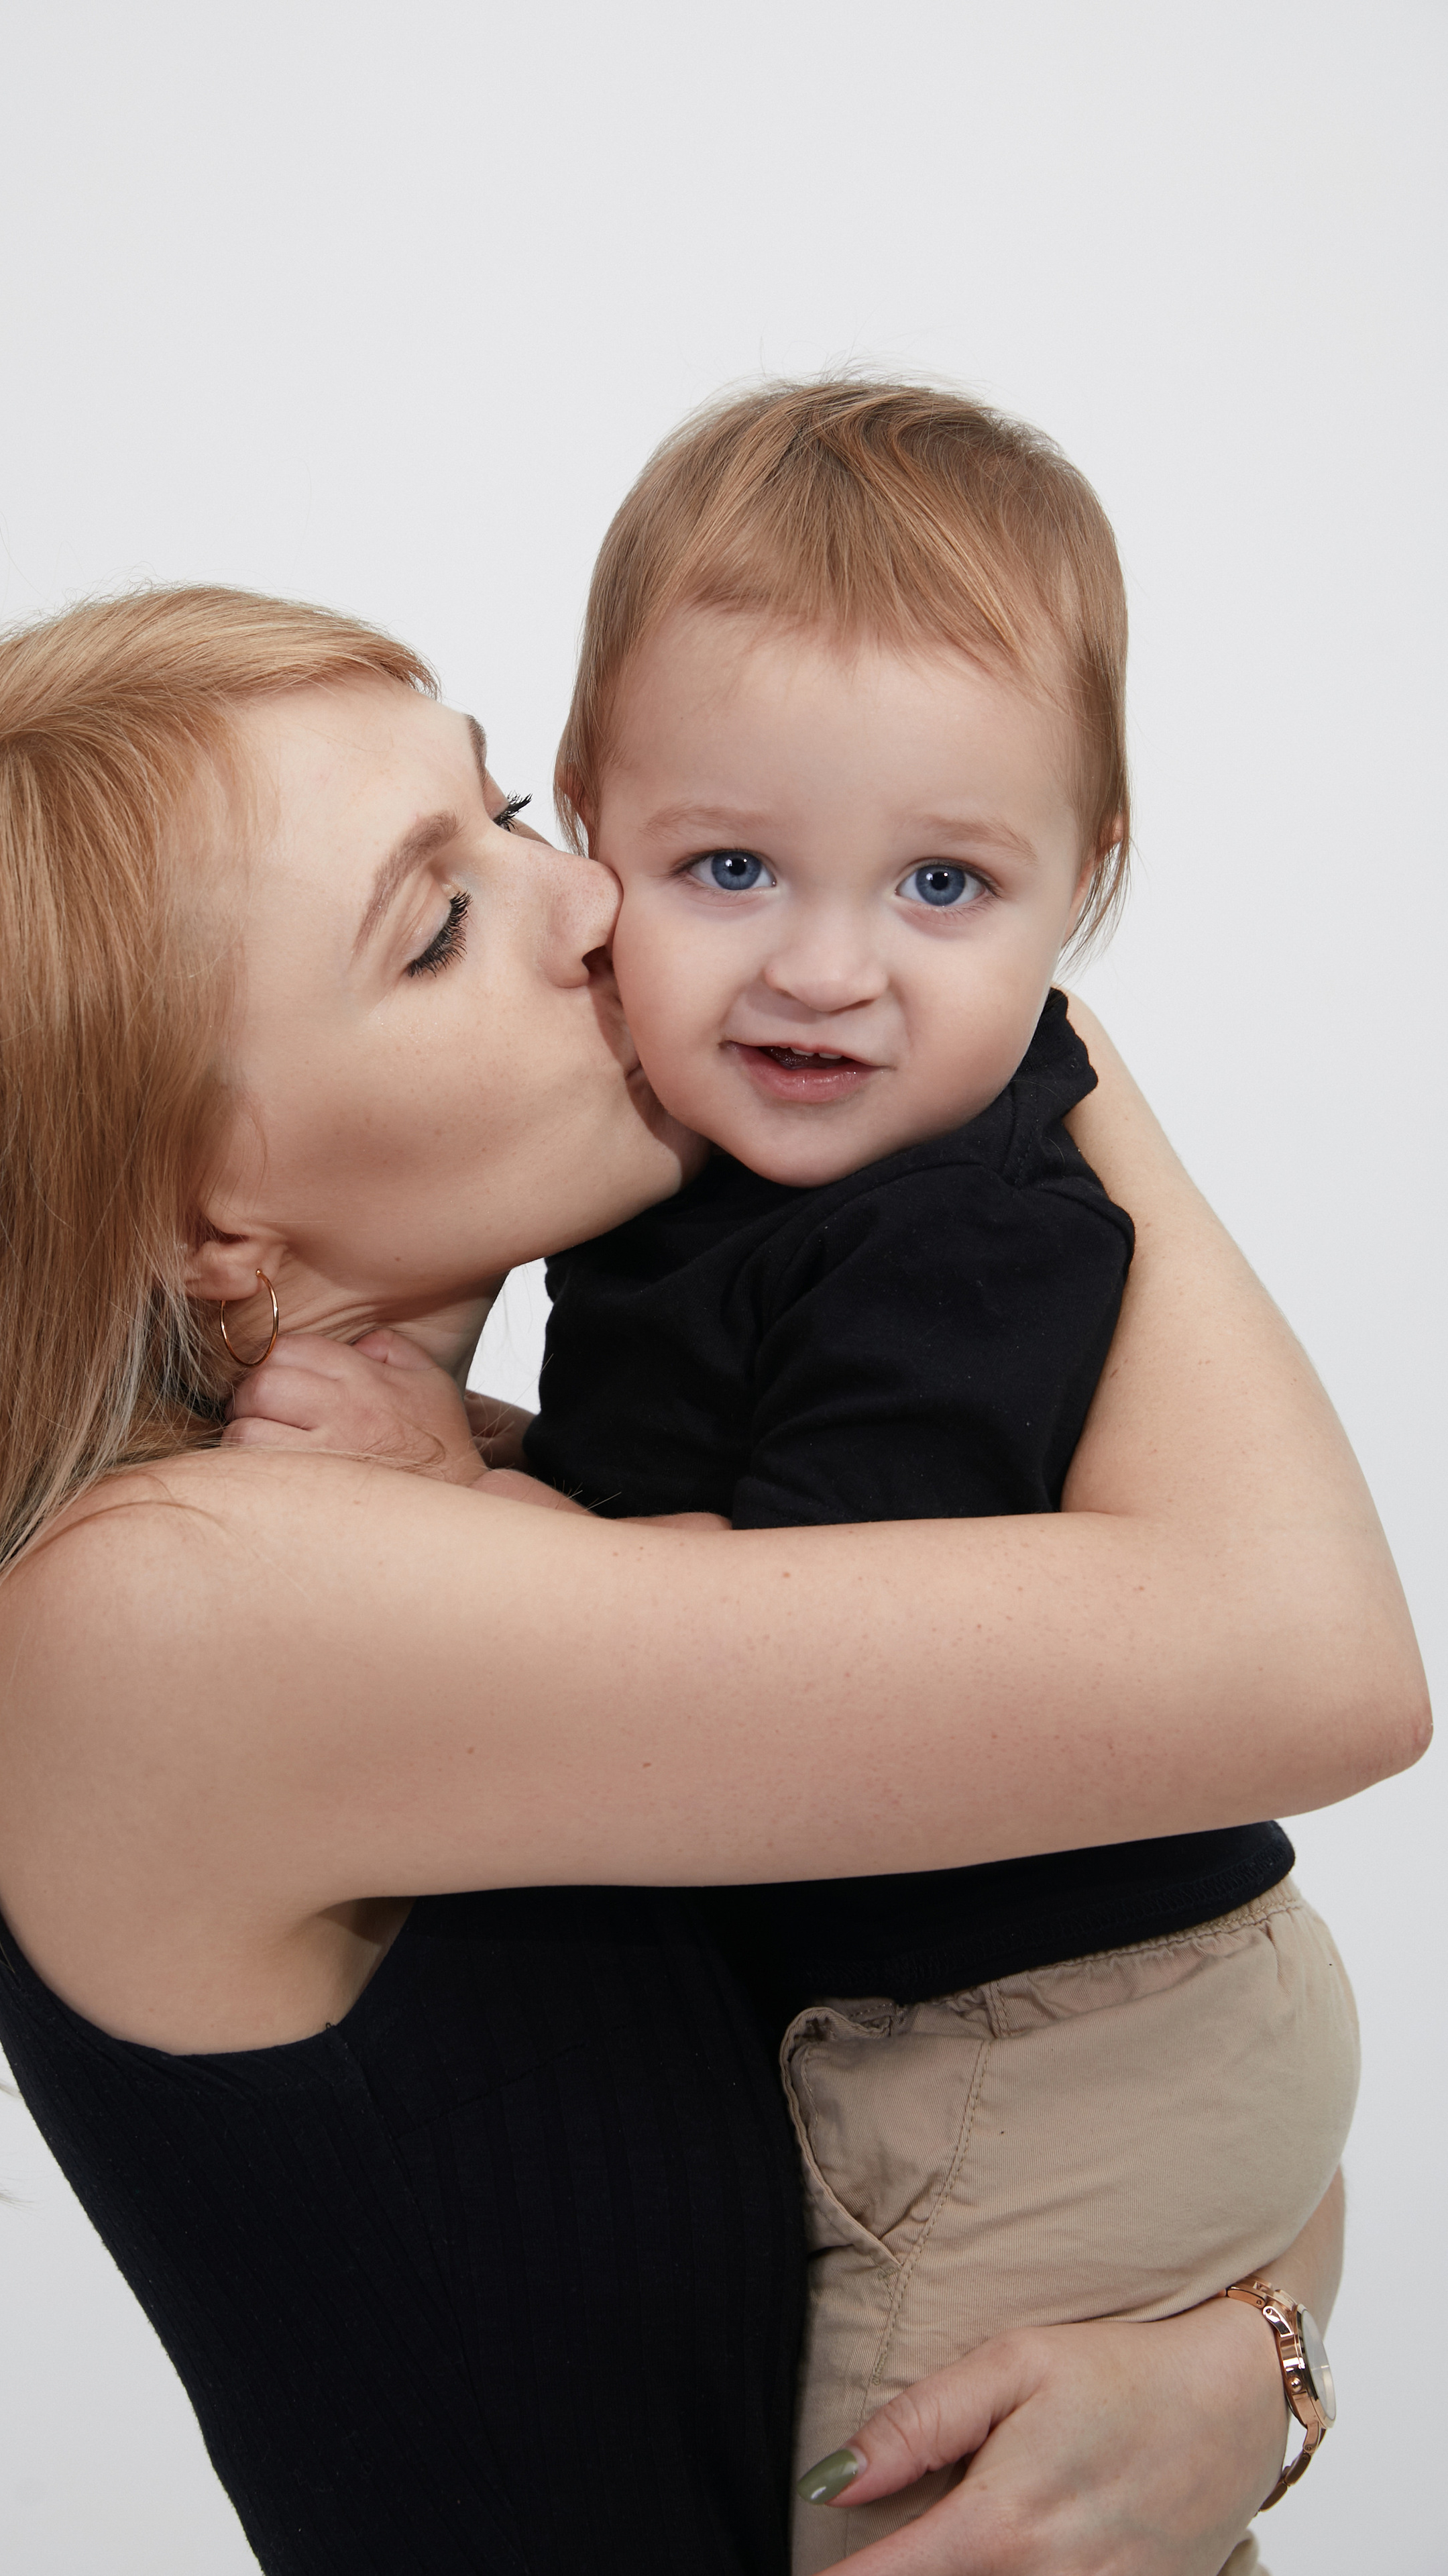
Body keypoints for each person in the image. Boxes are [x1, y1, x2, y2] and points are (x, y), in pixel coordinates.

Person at [0, 585, 1423, 2576]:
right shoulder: (162, 1614)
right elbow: (1321, 1664)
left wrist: (1253, 2365)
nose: (599, 906)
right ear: (204, 1216)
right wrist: (1024, 1008)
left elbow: (1106, 2020)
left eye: (515, 812)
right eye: (439, 922)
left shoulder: (505, 1514)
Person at [518, 381, 1359, 2566]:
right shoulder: (691, 1175)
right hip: (1042, 2010)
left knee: (883, 2512)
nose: (823, 967)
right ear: (580, 816)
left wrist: (440, 1484)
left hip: (1039, 2041)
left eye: (942, 884)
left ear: (1085, 888)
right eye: (728, 866)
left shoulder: (963, 1236)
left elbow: (786, 1660)